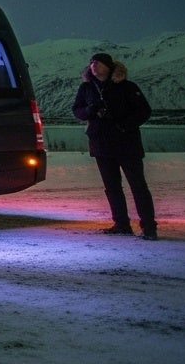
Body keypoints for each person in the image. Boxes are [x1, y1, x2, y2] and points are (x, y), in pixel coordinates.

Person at [72, 52, 157, 240]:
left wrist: (124, 125)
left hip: (127, 144)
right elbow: (77, 110)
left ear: (109, 66)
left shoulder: (126, 87)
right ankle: (121, 223)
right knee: (112, 187)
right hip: (101, 144)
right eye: (91, 63)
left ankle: (149, 227)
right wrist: (90, 110)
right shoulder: (87, 88)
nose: (94, 66)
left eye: (98, 63)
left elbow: (144, 111)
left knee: (138, 186)